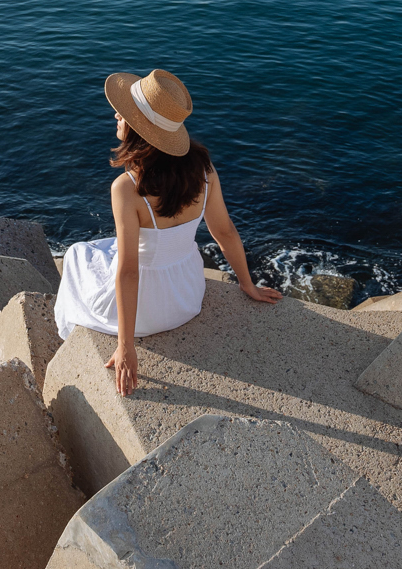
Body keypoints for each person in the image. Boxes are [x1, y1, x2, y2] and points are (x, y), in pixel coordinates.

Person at [55, 68, 282, 395]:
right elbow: (225, 231)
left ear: (140, 129)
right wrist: (247, 285)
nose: (116, 114)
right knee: (109, 249)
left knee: (78, 255)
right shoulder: (203, 170)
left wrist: (126, 346)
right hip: (186, 298)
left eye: (125, 113)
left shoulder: (126, 189)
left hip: (145, 312)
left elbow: (129, 271)